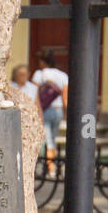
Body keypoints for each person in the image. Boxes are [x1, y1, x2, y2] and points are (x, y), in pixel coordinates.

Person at [32, 50, 68, 178]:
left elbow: (34, 94)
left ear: (43, 61)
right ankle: (52, 165)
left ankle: (50, 168)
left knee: (47, 140)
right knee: (52, 138)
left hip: (45, 109)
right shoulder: (63, 76)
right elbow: (65, 98)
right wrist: (65, 113)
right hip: (58, 110)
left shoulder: (39, 74)